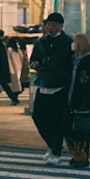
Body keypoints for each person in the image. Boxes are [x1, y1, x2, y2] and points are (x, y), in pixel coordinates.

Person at [30, 12, 74, 166]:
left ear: (61, 26)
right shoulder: (41, 41)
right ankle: (52, 144)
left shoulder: (67, 42)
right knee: (38, 116)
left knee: (57, 121)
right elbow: (33, 59)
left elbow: (62, 63)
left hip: (60, 86)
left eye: (54, 24)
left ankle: (56, 153)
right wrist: (35, 64)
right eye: (48, 24)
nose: (50, 27)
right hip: (43, 83)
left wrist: (45, 64)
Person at [65, 33, 90, 168]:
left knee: (82, 131)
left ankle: (81, 158)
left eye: (75, 42)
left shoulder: (89, 61)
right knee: (73, 130)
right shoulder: (77, 60)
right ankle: (77, 156)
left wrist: (85, 101)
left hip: (85, 103)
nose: (73, 45)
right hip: (75, 101)